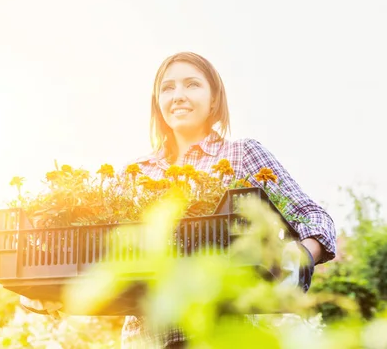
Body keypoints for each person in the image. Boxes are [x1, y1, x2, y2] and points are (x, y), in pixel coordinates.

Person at [22, 51, 337, 348]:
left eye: (192, 84)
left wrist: (302, 254)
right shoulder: (135, 173)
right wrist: (49, 290)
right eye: (167, 88)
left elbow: (314, 217)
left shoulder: (243, 154)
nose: (178, 95)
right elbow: (105, 258)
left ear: (214, 99)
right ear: (158, 102)